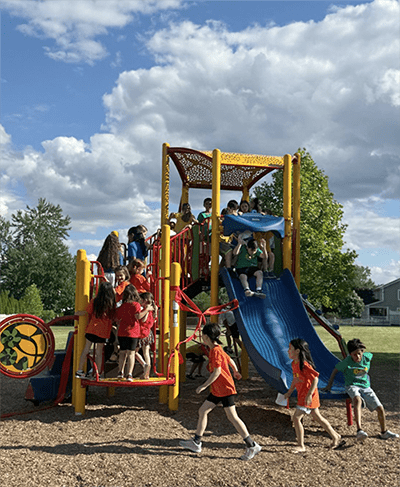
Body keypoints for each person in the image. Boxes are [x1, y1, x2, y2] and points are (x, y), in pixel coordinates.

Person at [179, 323, 261, 461]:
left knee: (233, 417)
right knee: (203, 410)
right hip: (218, 390)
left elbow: (217, 372)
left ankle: (252, 445)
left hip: (225, 389)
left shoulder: (216, 351)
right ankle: (196, 442)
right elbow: (230, 361)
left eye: (203, 336)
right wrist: (235, 371)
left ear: (206, 337)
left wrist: (204, 386)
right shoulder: (216, 349)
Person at [323, 338, 399, 441]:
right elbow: (335, 370)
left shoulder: (367, 357)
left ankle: (384, 432)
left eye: (359, 353)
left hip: (365, 386)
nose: (358, 357)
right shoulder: (346, 362)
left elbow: (369, 356)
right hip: (352, 385)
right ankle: (359, 430)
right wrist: (329, 386)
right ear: (350, 354)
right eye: (354, 354)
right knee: (357, 400)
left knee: (380, 408)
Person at [284, 338, 345, 453]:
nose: (288, 351)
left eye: (290, 348)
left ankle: (301, 445)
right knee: (318, 417)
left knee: (296, 418)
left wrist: (309, 395)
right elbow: (296, 379)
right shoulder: (294, 364)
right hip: (304, 396)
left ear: (297, 351)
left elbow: (315, 379)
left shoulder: (305, 365)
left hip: (308, 397)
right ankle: (336, 436)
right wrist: (289, 392)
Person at [75, 281, 116, 379]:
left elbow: (87, 312)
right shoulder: (111, 304)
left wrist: (78, 312)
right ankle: (98, 373)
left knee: (86, 349)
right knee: (99, 353)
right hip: (103, 332)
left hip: (92, 329)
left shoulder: (95, 301)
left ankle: (79, 370)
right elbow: (114, 317)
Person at [115, 285, 150, 381]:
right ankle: (129, 374)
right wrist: (147, 310)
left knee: (122, 352)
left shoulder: (122, 305)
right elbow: (138, 316)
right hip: (133, 332)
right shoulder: (136, 305)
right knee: (131, 353)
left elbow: (117, 318)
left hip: (122, 332)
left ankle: (120, 372)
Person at [137, 291, 157, 380]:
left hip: (142, 333)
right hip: (148, 332)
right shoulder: (153, 309)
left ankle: (144, 365)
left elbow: (143, 320)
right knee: (146, 353)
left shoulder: (146, 309)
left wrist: (146, 311)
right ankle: (146, 374)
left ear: (145, 300)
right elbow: (155, 320)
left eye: (141, 300)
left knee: (134, 352)